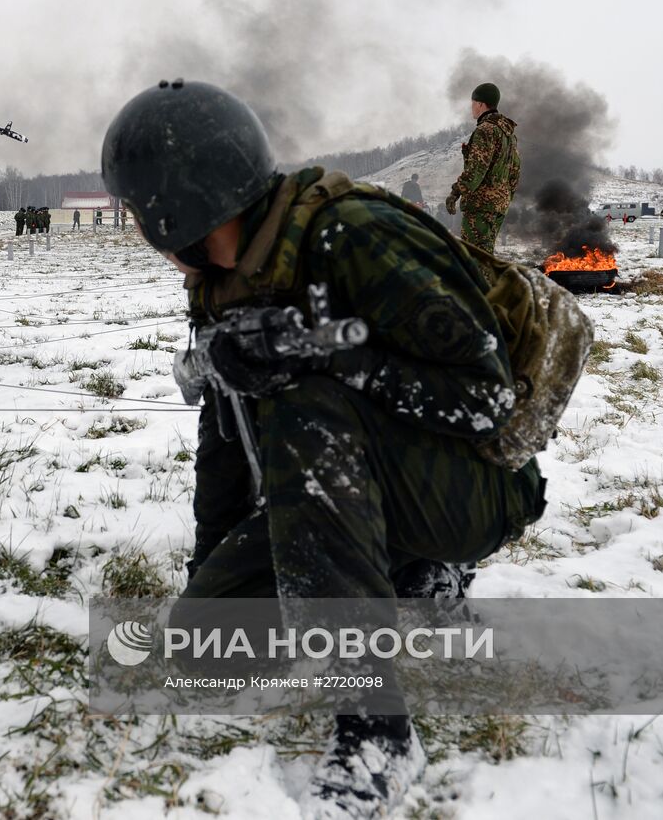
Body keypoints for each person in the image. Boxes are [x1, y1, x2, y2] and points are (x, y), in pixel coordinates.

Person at [102, 80, 547, 818]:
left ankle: (379, 727)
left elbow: (487, 398)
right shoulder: (223, 283)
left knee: (302, 397)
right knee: (206, 647)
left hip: (477, 488)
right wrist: (206, 571)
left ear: (172, 209)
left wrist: (327, 361)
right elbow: (222, 432)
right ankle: (412, 573)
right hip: (349, 496)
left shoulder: (354, 234)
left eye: (138, 214)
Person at [446, 82, 520, 254]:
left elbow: (475, 171)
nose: (471, 107)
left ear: (480, 104)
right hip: (499, 206)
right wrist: (505, 198)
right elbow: (515, 172)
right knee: (486, 257)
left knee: (475, 259)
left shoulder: (485, 130)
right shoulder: (509, 135)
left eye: (473, 103)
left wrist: (455, 192)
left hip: (481, 205)